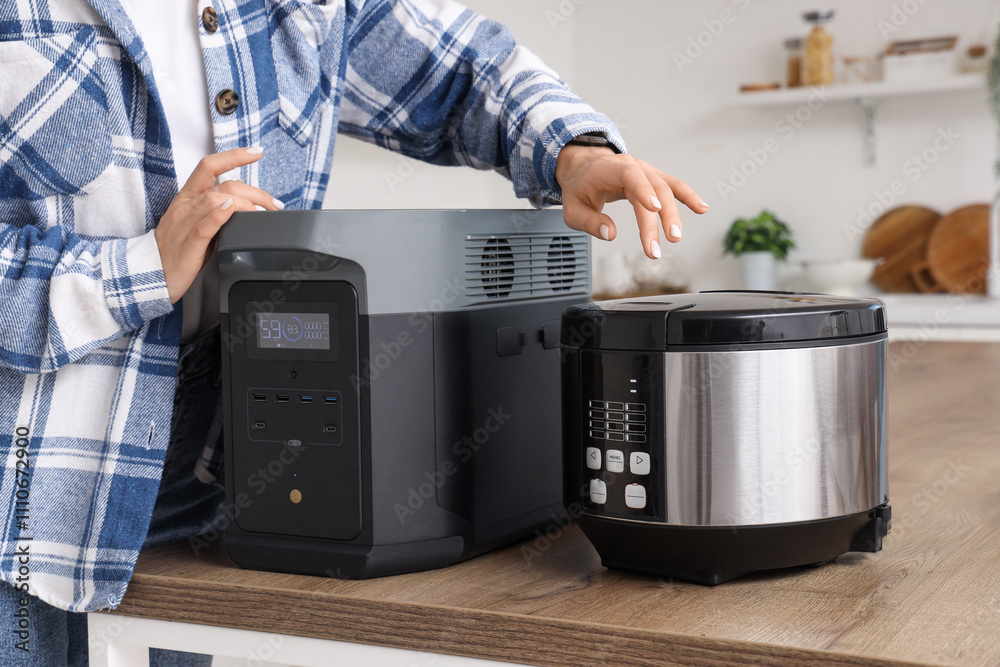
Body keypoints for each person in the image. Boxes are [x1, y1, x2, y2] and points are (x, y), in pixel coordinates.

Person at [0, 0, 706, 663]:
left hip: (221, 474)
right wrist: (141, 266)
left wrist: (575, 151)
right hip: (31, 487)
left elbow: (463, 67)